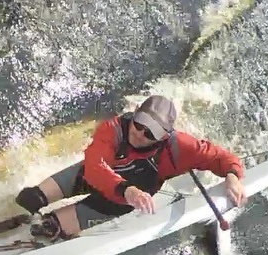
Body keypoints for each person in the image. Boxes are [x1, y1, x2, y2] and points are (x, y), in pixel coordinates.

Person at [15, 95, 248, 239]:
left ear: (164, 136)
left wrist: (232, 176)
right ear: (134, 115)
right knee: (29, 198)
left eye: (150, 133)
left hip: (114, 203)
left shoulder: (179, 147)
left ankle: (61, 230)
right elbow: (95, 166)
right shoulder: (113, 128)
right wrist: (126, 188)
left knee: (49, 229)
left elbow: (222, 157)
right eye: (138, 125)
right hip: (93, 177)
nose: (140, 134)